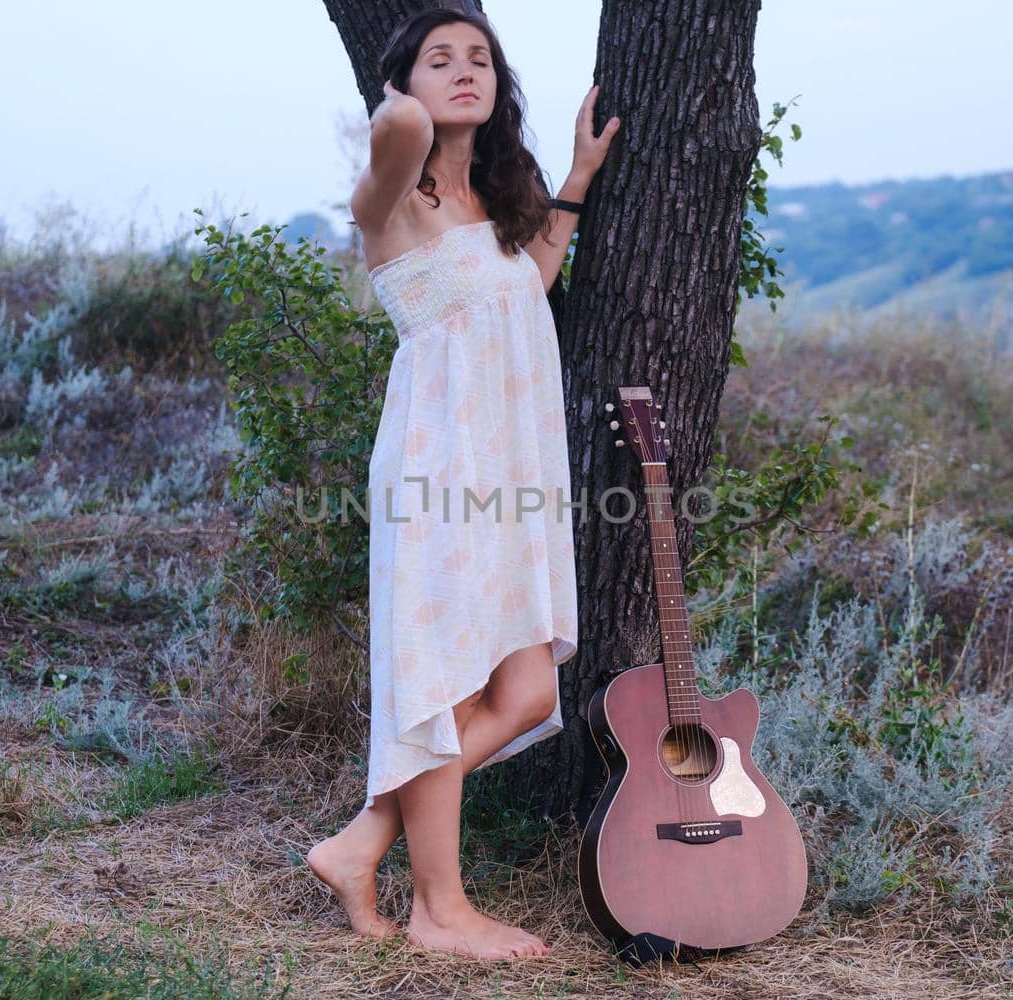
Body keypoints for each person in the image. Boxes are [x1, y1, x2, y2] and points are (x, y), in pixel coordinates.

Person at [304, 7, 620, 961]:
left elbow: (535, 278)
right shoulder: (393, 194)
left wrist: (575, 177)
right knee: (441, 685)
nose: (466, 70)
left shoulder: (497, 200)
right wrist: (399, 115)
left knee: (526, 685)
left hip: (515, 472)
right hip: (438, 468)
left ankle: (364, 841)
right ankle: (441, 911)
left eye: (480, 58)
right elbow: (387, 157)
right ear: (403, 85)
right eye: (441, 60)